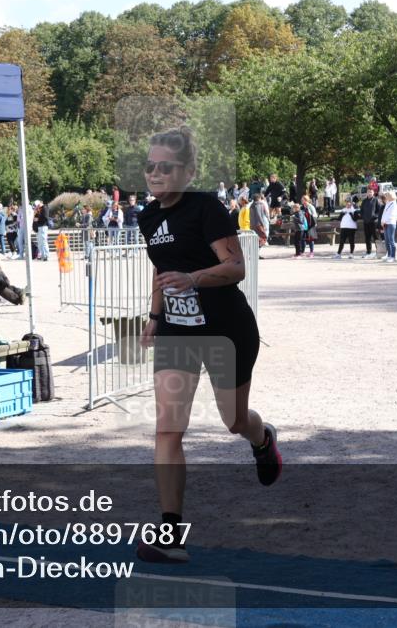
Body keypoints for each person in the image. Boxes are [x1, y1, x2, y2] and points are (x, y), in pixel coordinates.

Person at [136, 126, 280, 564]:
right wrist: (154, 316)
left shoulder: (206, 209)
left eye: (167, 167)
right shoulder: (147, 217)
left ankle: (261, 438)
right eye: (150, 167)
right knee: (167, 428)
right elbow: (164, 270)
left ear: (188, 171)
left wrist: (195, 279)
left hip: (225, 327)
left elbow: (236, 267)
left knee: (232, 420)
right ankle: (171, 532)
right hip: (179, 331)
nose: (156, 174)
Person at [359, 187, 381, 259]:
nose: (369, 193)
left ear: (373, 193)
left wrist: (375, 216)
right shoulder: (364, 201)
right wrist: (363, 217)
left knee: (375, 238)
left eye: (371, 192)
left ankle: (379, 251)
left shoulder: (376, 200)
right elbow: (361, 211)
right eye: (368, 192)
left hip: (373, 222)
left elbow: (379, 211)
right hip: (366, 222)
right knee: (367, 238)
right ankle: (368, 251)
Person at [249, 193, 270, 258]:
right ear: (259, 198)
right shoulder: (258, 205)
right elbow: (259, 215)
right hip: (258, 224)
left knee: (257, 239)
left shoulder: (251, 205)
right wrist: (263, 224)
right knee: (264, 237)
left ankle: (255, 253)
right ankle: (255, 252)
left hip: (253, 225)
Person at [380, 191, 397, 262]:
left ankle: (393, 256)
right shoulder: (388, 203)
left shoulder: (394, 204)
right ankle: (389, 255)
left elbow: (391, 215)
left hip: (390, 223)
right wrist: (382, 221)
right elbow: (384, 213)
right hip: (385, 223)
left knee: (391, 240)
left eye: (387, 195)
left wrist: (384, 221)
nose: (386, 197)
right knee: (387, 240)